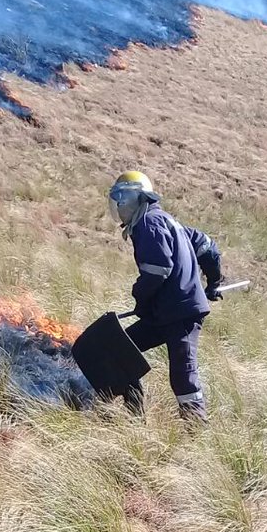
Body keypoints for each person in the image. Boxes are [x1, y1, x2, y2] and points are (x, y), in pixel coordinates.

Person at [107, 170, 229, 423]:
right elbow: (207, 247)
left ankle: (196, 430)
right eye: (116, 198)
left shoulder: (148, 223)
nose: (120, 205)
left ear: (141, 198)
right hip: (164, 312)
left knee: (183, 374)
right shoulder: (167, 221)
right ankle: (135, 414)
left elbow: (157, 271)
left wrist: (140, 298)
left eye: (124, 197)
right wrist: (214, 281)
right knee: (122, 350)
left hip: (180, 313)